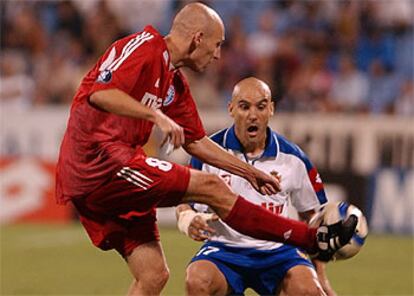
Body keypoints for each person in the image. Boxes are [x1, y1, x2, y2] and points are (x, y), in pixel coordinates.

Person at [55, 3, 356, 295]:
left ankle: (307, 238)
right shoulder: (143, 46)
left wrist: (248, 171)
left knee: (153, 275)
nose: (218, 55)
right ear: (198, 39)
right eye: (217, 44)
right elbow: (99, 94)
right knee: (211, 186)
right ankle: (310, 238)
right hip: (99, 163)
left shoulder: (174, 83)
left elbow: (195, 141)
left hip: (118, 168)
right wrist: (155, 115)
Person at [176, 77, 337, 296]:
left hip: (279, 251)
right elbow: (183, 204)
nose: (253, 115)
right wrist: (188, 219)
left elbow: (314, 218)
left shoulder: (293, 158)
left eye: (261, 107)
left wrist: (321, 276)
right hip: (224, 250)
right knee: (197, 281)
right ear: (231, 108)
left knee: (310, 291)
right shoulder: (209, 153)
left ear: (271, 109)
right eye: (244, 107)